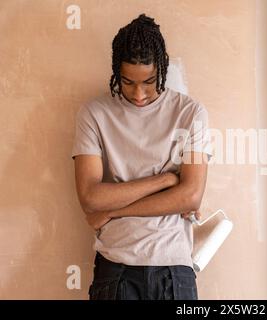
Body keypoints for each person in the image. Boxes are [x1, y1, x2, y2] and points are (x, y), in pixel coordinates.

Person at [71, 13, 211, 300]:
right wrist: (165, 180)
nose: (138, 94)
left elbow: (191, 196)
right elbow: (90, 197)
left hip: (174, 268)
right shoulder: (94, 114)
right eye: (127, 82)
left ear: (162, 69)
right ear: (115, 72)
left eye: (149, 82)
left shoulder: (190, 113)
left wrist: (112, 211)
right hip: (115, 268)